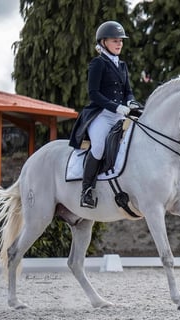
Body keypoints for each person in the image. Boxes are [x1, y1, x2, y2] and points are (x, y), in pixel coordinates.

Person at [69, 21, 141, 209]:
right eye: (115, 41)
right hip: (100, 115)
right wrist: (115, 107)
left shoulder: (122, 65)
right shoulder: (98, 63)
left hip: (120, 114)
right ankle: (86, 191)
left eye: (121, 41)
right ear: (103, 42)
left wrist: (131, 102)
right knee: (99, 146)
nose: (119, 44)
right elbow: (93, 93)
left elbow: (128, 91)